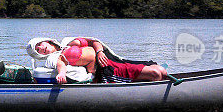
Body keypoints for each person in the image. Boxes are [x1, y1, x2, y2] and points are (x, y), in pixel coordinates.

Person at [34, 37, 168, 84]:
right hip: (105, 71)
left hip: (110, 60)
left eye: (40, 44)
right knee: (156, 73)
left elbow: (94, 42)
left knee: (161, 70)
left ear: (47, 41)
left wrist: (99, 51)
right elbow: (60, 64)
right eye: (38, 50)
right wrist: (62, 74)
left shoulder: (68, 42)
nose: (41, 48)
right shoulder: (53, 58)